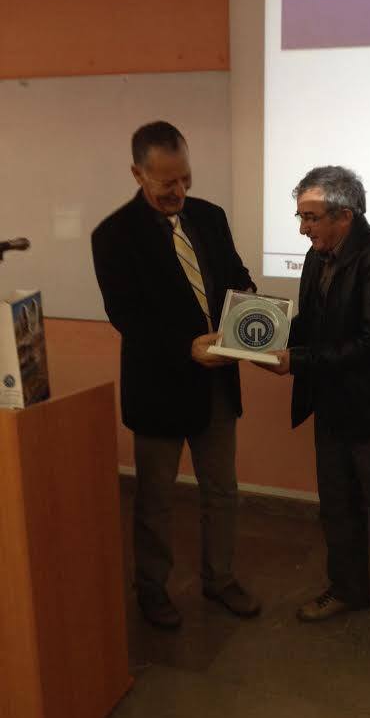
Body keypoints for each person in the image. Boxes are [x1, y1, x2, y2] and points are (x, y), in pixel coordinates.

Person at [92, 121, 260, 629]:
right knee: (156, 501)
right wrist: (186, 347)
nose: (179, 191)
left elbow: (237, 278)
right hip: (158, 389)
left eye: (185, 178)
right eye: (167, 182)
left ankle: (220, 579)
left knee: (222, 490)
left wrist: (251, 317)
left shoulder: (210, 216)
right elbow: (126, 315)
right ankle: (152, 591)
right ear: (137, 174)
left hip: (217, 383)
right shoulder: (113, 235)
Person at [264, 165, 370, 672]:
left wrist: (299, 361)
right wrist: (265, 337)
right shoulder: (319, 256)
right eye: (300, 217)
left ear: (345, 215)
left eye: (311, 218)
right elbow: (312, 322)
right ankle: (349, 590)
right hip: (334, 409)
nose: (303, 228)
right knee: (337, 510)